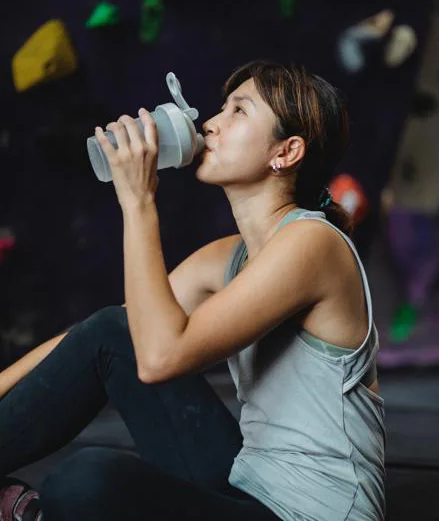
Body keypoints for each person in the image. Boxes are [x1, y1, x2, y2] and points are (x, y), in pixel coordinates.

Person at [0, 60, 385, 521]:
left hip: (308, 514)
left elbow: (161, 357)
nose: (210, 123)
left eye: (238, 112)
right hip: (247, 486)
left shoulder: (313, 244)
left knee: (86, 481)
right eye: (221, 109)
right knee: (110, 330)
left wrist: (138, 201)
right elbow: (104, 337)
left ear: (286, 152)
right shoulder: (229, 257)